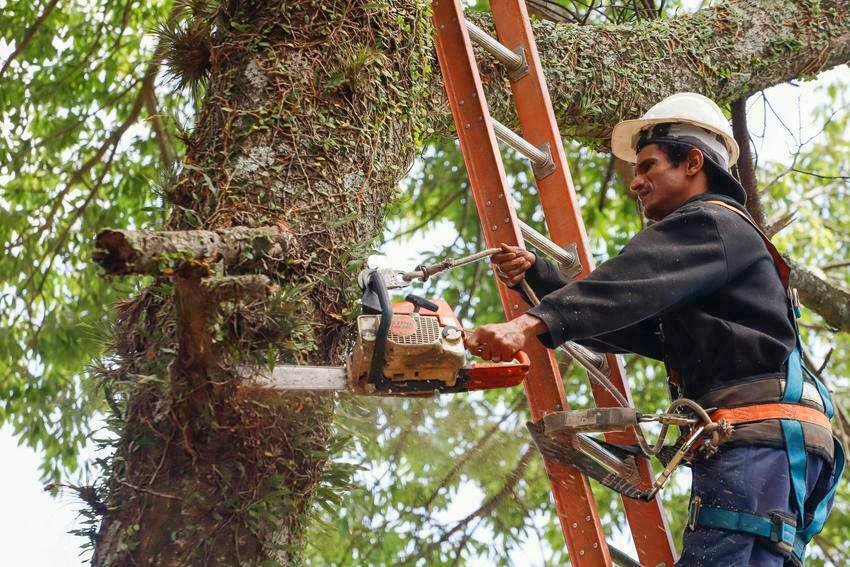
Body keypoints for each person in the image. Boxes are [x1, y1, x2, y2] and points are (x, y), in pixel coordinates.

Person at [465, 93, 842, 566]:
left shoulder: (712, 221)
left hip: (755, 438)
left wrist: (524, 326)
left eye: (647, 166)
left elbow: (628, 284)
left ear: (692, 162)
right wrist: (538, 279)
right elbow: (630, 323)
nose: (635, 183)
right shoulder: (714, 256)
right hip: (764, 442)